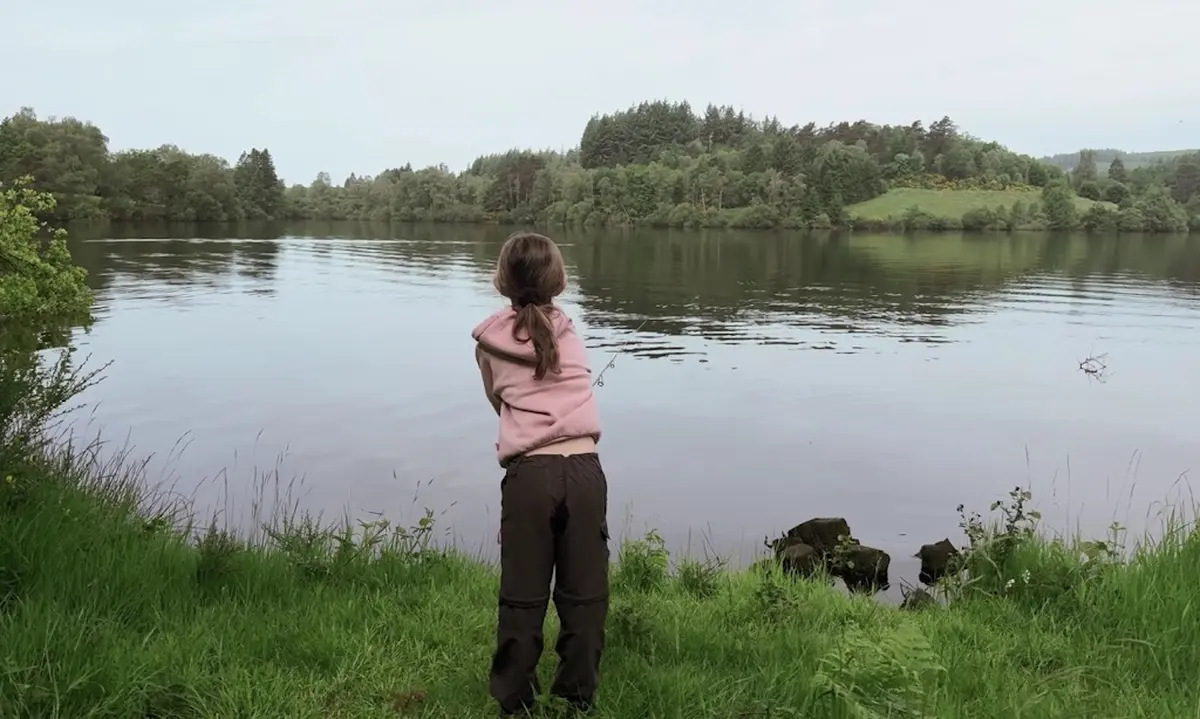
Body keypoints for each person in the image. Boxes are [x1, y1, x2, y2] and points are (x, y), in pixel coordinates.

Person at [471, 231, 610, 716]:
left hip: (530, 476)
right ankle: (577, 699)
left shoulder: (487, 343)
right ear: (560, 280)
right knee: (585, 595)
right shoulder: (571, 332)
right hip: (585, 471)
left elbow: (499, 402)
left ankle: (516, 703)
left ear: (501, 281)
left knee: (522, 596)